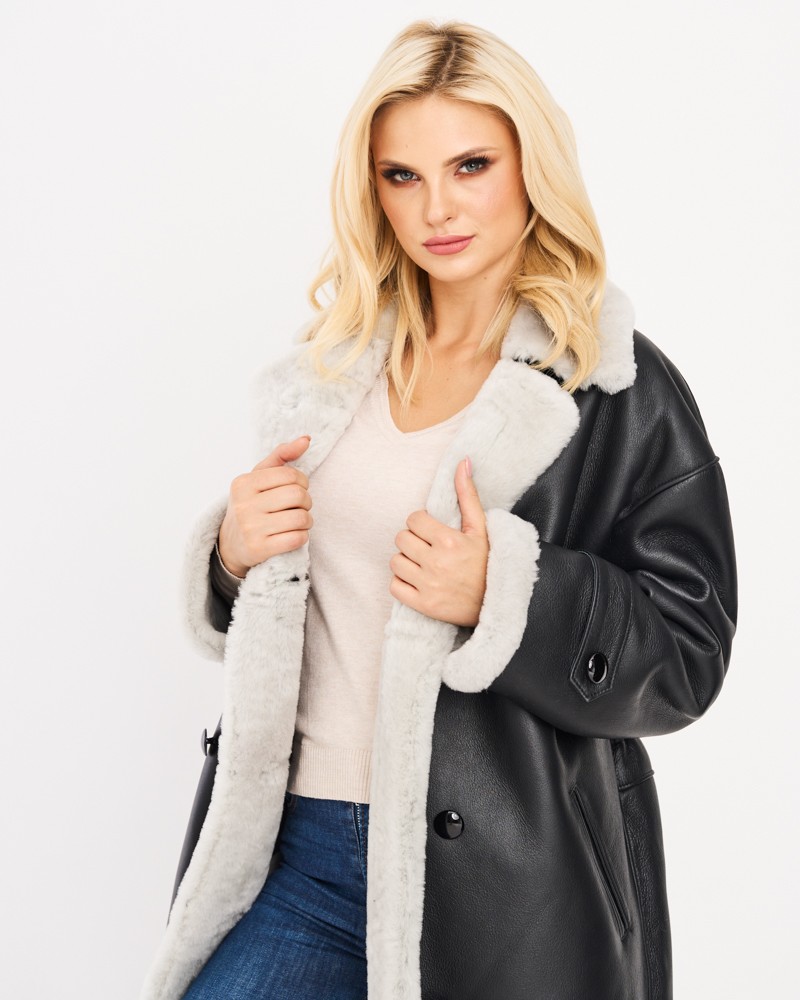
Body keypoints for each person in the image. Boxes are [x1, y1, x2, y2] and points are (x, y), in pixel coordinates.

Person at [138, 18, 738, 1000]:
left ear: (529, 163)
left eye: (470, 165)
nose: (437, 208)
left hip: (503, 883)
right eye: (401, 176)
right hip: (295, 856)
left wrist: (509, 596)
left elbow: (689, 654)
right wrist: (232, 559)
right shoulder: (330, 370)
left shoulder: (611, 385)